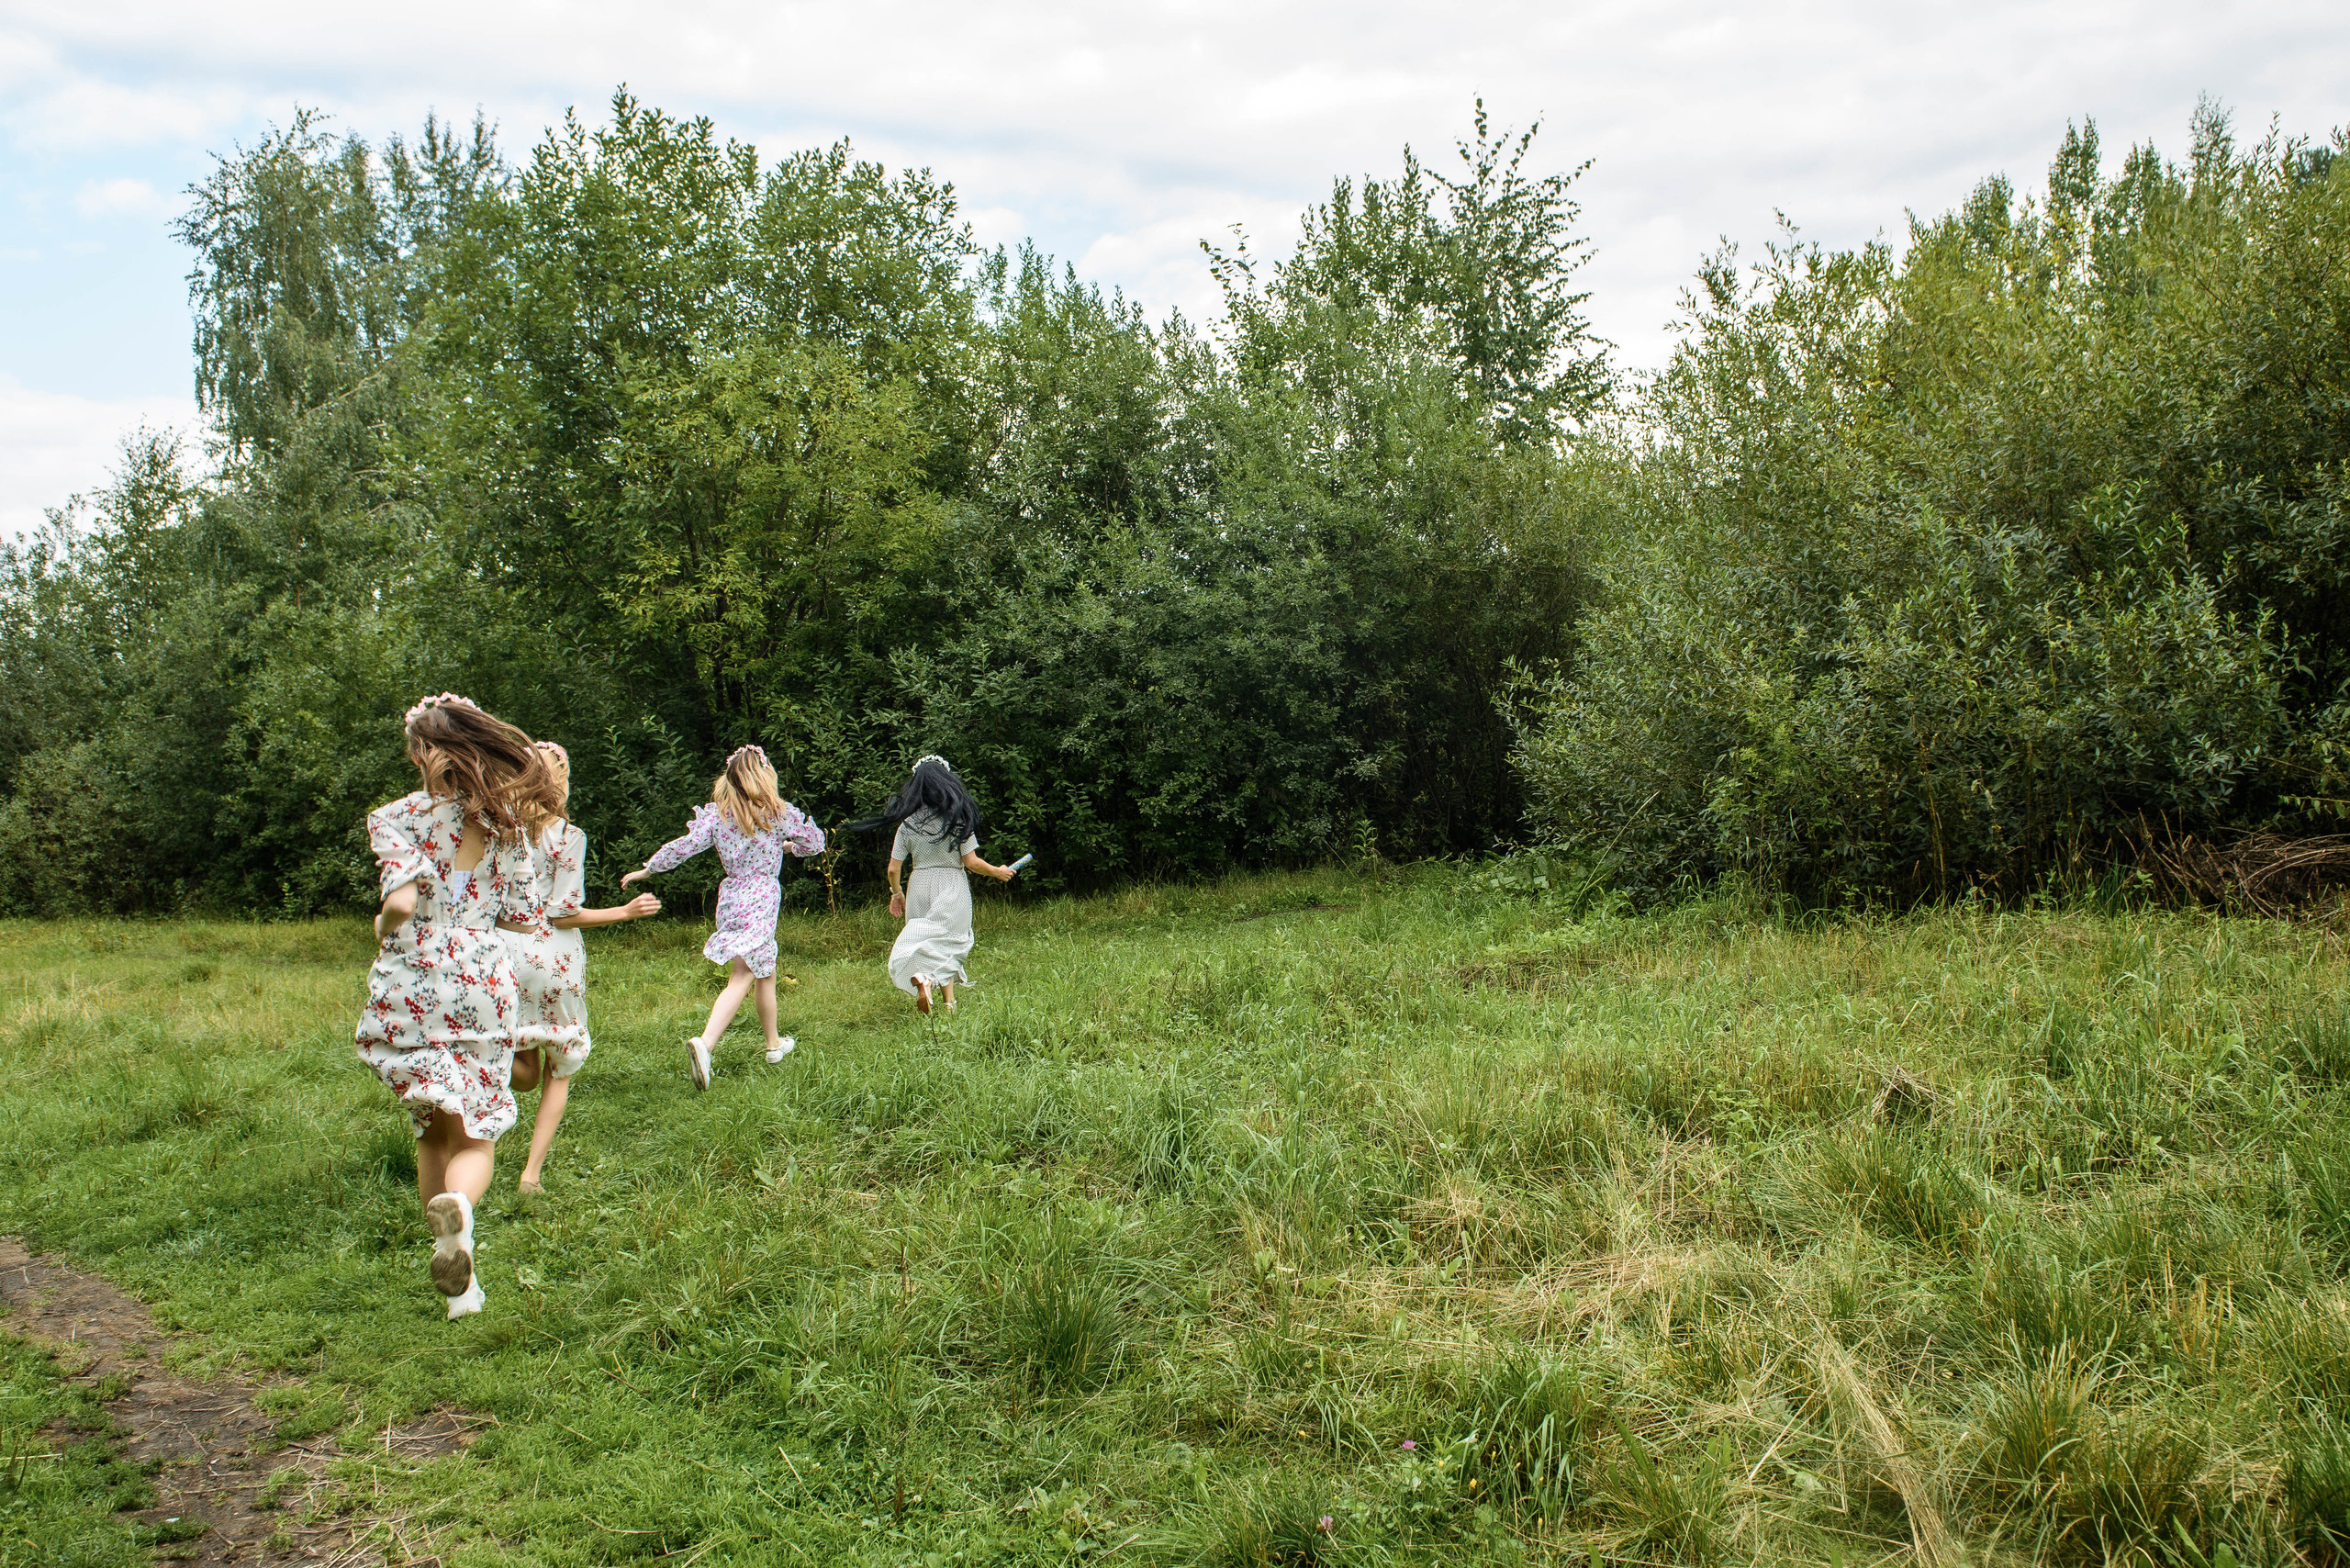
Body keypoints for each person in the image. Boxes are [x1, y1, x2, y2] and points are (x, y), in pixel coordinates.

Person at [358, 693, 561, 1318]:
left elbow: (398, 901)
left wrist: (382, 925)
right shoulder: (505, 826)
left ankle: (459, 1287)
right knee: (477, 1135)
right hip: (482, 984)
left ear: (419, 751)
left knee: (431, 1131)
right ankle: (463, 1218)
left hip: (415, 980)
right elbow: (526, 920)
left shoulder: (393, 817)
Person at [503, 742, 661, 1194]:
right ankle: (530, 1175)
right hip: (552, 960)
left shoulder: (497, 829)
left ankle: (489, 1057)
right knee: (560, 1067)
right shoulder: (567, 835)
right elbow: (563, 913)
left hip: (502, 955)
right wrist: (625, 912)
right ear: (560, 783)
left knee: (521, 1061)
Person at [621, 745, 825, 1089]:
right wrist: (792, 847)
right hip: (762, 896)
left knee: (766, 969)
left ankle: (773, 1045)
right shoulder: (777, 813)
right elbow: (814, 843)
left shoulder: (719, 816)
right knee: (744, 973)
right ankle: (706, 1044)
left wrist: (649, 869)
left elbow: (684, 847)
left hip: (732, 896)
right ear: (764, 777)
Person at [852, 756, 1017, 1015]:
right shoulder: (957, 819)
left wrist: (897, 893)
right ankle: (943, 998)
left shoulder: (908, 824)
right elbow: (971, 862)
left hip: (919, 884)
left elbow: (893, 868)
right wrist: (997, 872)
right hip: (951, 884)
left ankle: (934, 989)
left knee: (926, 941)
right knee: (952, 941)